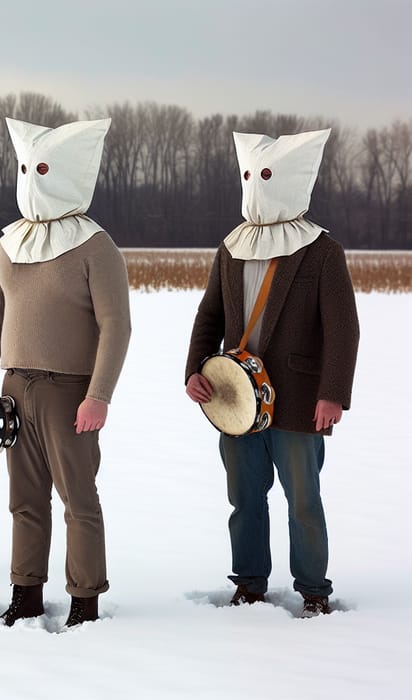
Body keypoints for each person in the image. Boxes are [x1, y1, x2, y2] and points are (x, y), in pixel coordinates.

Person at [0, 117, 131, 627]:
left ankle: (84, 599)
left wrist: (99, 395)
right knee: (24, 501)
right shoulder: (8, 244)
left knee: (79, 500)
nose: (31, 178)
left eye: (42, 168)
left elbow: (116, 326)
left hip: (70, 394)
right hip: (15, 390)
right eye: (25, 168)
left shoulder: (96, 246)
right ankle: (26, 594)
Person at [185, 129, 359, 617]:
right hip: (235, 399)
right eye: (249, 174)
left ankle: (313, 591)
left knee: (304, 502)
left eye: (264, 174)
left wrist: (333, 395)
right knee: (244, 499)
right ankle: (249, 583)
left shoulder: (323, 251)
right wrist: (194, 370)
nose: (254, 183)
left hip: (301, 401)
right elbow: (209, 316)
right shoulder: (231, 246)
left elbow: (344, 330)